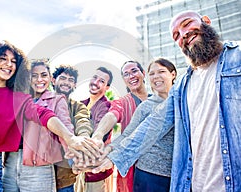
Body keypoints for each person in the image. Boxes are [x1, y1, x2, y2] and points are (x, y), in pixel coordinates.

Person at [92, 10, 241, 192]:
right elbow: (149, 127)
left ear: (206, 21)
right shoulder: (183, 87)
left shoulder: (237, 56)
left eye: (187, 24)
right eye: (176, 35)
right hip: (192, 182)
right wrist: (112, 153)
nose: (184, 34)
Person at [0, 40, 99, 191]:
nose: (9, 64)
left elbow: (45, 115)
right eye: (3, 58)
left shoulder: (18, 99)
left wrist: (71, 138)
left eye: (13, 61)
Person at [95, 58, 177, 191]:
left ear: (172, 74)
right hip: (149, 175)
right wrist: (105, 146)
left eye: (161, 71)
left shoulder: (183, 101)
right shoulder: (144, 106)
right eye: (153, 74)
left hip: (179, 173)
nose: (156, 77)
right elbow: (120, 124)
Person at [2, 61, 74, 191]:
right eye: (34, 75)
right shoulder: (18, 99)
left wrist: (73, 151)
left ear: (50, 78)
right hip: (10, 164)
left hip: (39, 167)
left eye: (43, 75)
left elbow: (65, 127)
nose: (39, 79)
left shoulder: (57, 99)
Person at [91, 60, 150, 192]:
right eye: (126, 74)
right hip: (132, 169)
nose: (131, 76)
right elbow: (112, 115)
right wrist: (98, 135)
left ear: (143, 73)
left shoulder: (158, 101)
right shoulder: (123, 102)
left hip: (157, 169)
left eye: (134, 71)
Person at [52, 65, 93, 192]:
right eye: (63, 78)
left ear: (75, 85)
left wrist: (83, 139)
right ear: (53, 80)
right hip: (40, 175)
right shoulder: (43, 102)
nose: (66, 82)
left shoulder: (78, 107)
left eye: (71, 80)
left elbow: (83, 122)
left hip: (65, 177)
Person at [76, 67, 114, 192]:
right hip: (78, 171)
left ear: (107, 87)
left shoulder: (106, 107)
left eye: (102, 81)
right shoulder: (82, 104)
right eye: (95, 77)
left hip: (95, 173)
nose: (96, 82)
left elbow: (96, 137)